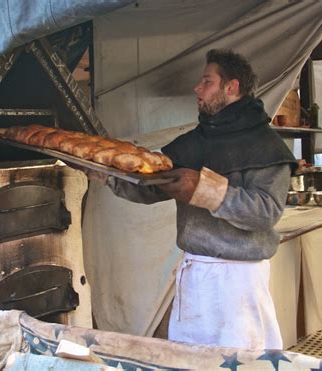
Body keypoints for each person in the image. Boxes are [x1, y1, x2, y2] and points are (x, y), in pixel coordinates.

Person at [86, 49, 297, 350]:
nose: (197, 89)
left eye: (206, 82)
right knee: (191, 360)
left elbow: (265, 213)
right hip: (196, 273)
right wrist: (102, 172)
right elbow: (147, 187)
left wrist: (205, 189)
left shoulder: (265, 145)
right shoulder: (195, 142)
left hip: (239, 280)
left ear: (231, 87)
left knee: (240, 362)